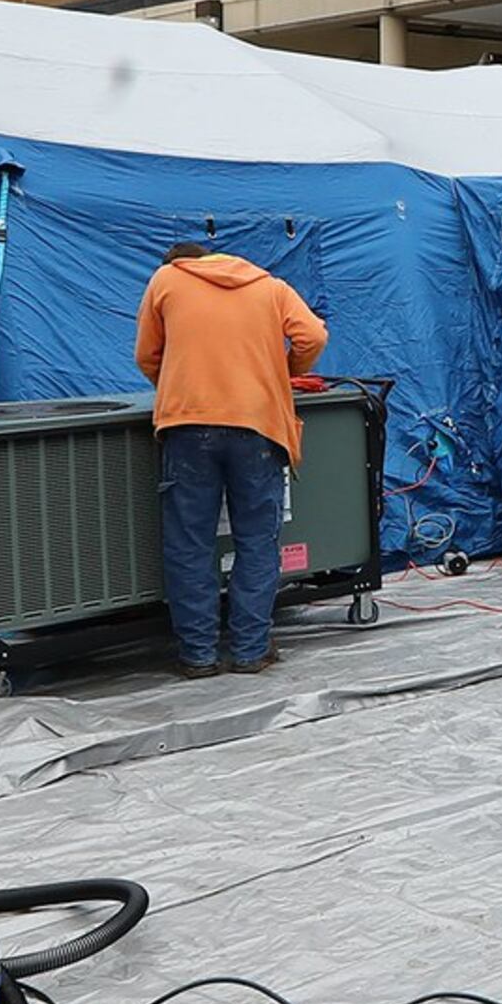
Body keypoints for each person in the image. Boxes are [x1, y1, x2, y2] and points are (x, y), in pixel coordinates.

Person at [134, 240, 329, 679]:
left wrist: (180, 382)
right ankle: (250, 651)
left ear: (180, 263)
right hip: (259, 425)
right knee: (257, 541)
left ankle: (198, 656)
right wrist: (285, 370)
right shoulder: (269, 286)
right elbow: (313, 335)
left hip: (187, 427)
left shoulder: (166, 280)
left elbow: (147, 355)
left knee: (189, 543)